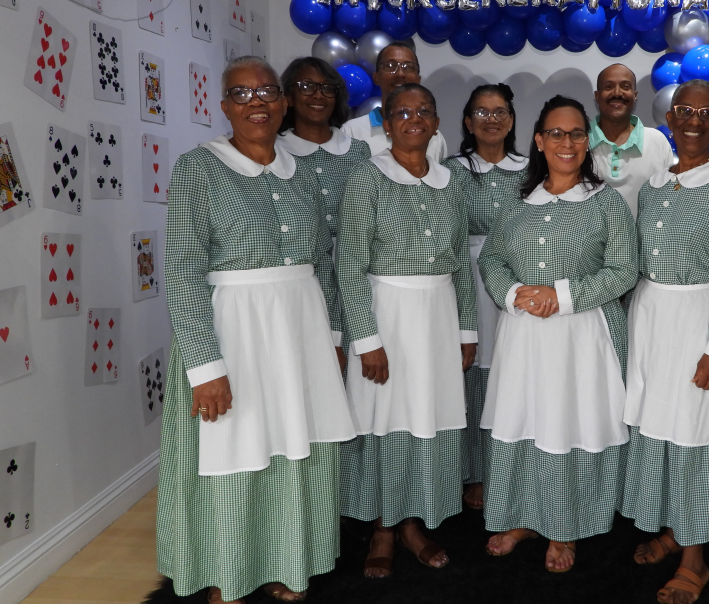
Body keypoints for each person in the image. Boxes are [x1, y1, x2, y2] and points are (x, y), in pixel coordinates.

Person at [158, 56, 355, 604]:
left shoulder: (301, 173)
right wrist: (205, 367)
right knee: (236, 447)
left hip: (301, 330)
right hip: (233, 332)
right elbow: (182, 270)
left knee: (296, 447)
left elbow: (323, 261)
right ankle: (230, 573)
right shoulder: (198, 168)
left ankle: (287, 563)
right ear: (224, 106)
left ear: (284, 103)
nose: (257, 103)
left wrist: (333, 340)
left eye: (267, 91)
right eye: (242, 94)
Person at [478, 95, 638, 574]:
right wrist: (513, 293)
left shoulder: (606, 202)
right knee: (526, 420)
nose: (566, 142)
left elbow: (625, 270)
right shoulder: (518, 202)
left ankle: (564, 527)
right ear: (539, 140)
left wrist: (561, 296)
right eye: (556, 133)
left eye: (575, 133)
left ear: (586, 142)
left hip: (582, 338)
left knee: (567, 423)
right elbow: (491, 259)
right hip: (524, 337)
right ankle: (524, 518)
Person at [620, 79, 709, 604]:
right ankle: (675, 531)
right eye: (685, 110)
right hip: (651, 321)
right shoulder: (654, 186)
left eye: (706, 113)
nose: (695, 120)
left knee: (696, 434)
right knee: (660, 430)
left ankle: (695, 559)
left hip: (701, 322)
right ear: (670, 118)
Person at [336, 84, 478, 578]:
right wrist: (367, 340)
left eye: (424, 111)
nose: (414, 119)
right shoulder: (367, 177)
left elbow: (461, 263)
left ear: (436, 123)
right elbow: (348, 264)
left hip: (438, 316)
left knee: (425, 415)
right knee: (386, 418)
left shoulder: (451, 182)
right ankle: (382, 527)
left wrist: (466, 329)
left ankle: (413, 523)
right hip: (387, 315)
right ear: (388, 124)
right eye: (403, 112)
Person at [442, 83, 527, 511]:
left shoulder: (531, 170)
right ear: (467, 122)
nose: (491, 119)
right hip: (464, 278)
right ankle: (472, 473)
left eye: (499, 112)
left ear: (511, 121)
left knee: (511, 372)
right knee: (468, 371)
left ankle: (508, 471)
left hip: (518, 280)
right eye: (482, 112)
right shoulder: (451, 171)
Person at [277, 56, 372, 243]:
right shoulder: (274, 150)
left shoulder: (358, 151)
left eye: (327, 88)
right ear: (289, 97)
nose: (318, 95)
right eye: (307, 86)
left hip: (350, 256)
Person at [589, 63, 674, 219]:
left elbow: (669, 202)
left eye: (625, 86)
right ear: (597, 96)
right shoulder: (579, 142)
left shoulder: (657, 141)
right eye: (608, 87)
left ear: (635, 95)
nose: (617, 93)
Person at [341, 42, 447, 161]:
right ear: (376, 77)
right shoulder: (352, 131)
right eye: (390, 66)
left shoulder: (433, 136)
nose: (400, 74)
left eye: (408, 67)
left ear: (418, 79)